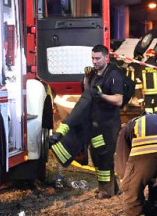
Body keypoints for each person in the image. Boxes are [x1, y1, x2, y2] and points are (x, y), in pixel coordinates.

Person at [50, 44, 124, 199]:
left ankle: (106, 191)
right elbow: (88, 92)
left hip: (108, 123)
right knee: (97, 155)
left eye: (98, 58)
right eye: (93, 58)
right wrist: (87, 78)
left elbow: (118, 100)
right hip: (95, 123)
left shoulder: (114, 75)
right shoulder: (94, 74)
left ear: (106, 57)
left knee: (104, 156)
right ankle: (112, 187)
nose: (95, 61)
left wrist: (102, 96)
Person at [141, 49, 157, 113]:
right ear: (154, 56)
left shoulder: (143, 66)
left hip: (147, 90)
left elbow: (139, 77)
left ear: (147, 56)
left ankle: (149, 118)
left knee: (148, 106)